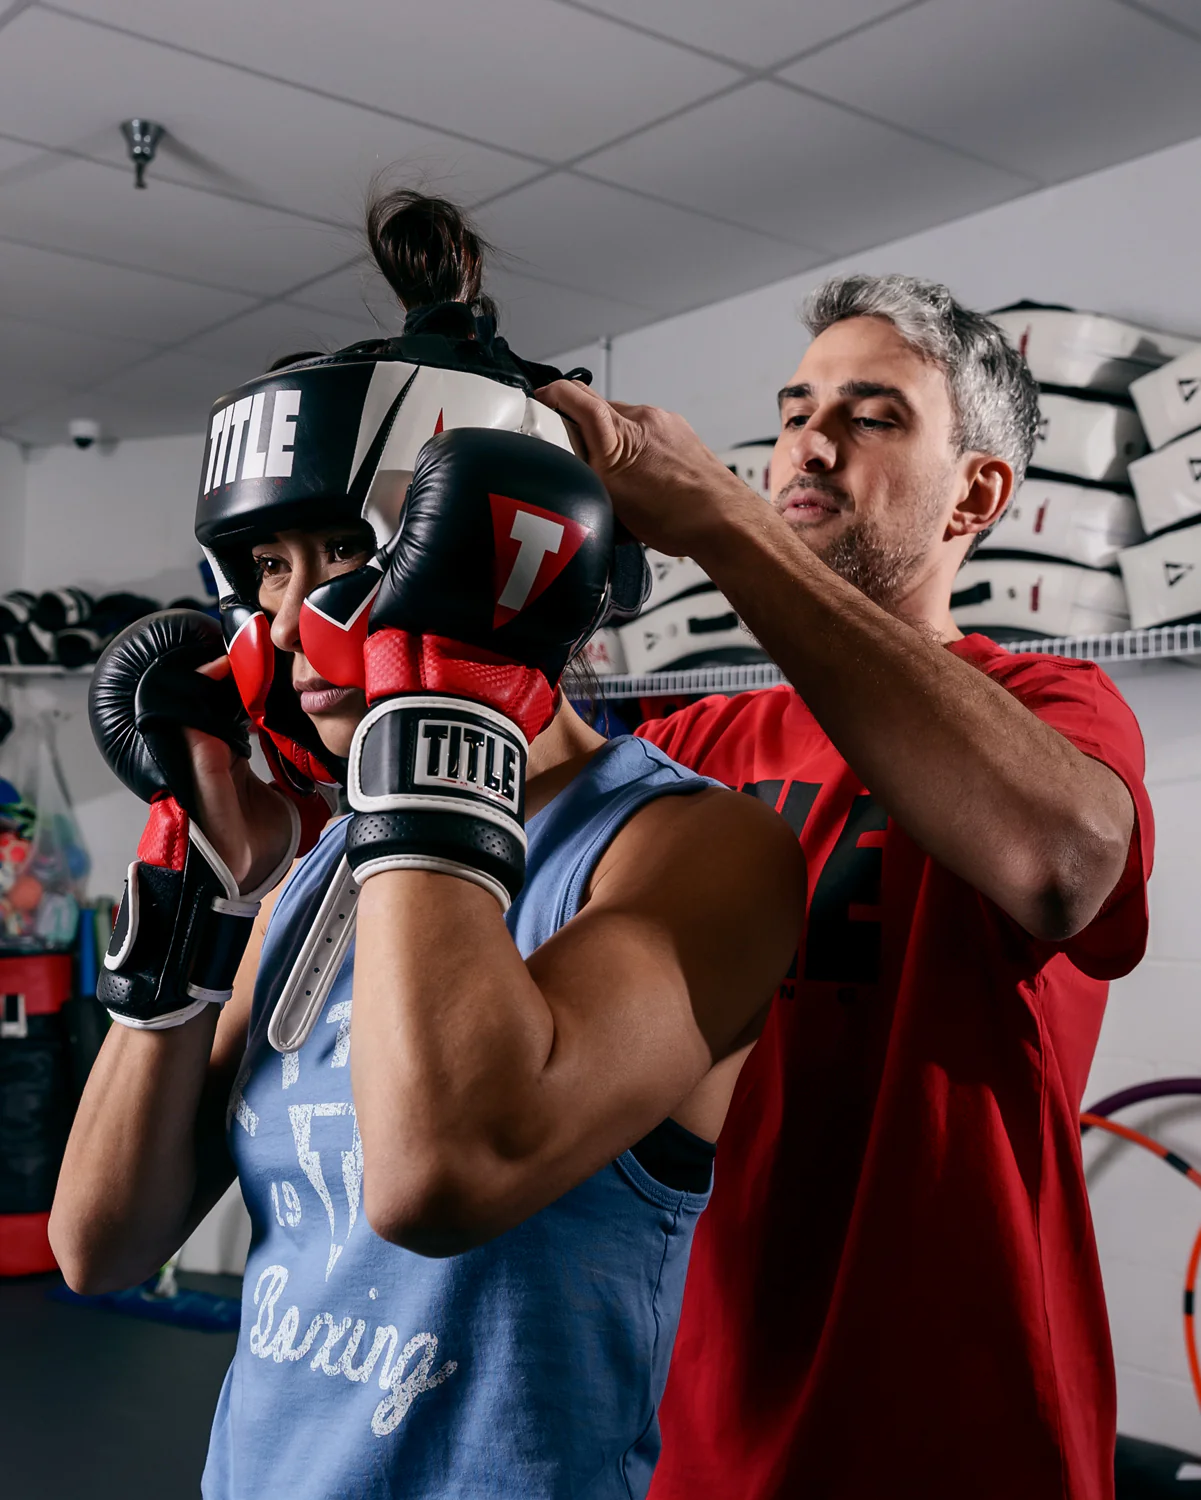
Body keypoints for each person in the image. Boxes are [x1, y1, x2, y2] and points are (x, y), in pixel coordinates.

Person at [48, 193, 802, 1500]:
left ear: (510, 552)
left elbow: (445, 1176)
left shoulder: (693, 850)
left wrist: (440, 718)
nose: (291, 622)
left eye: (346, 547)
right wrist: (199, 898)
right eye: (266, 567)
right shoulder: (322, 874)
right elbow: (99, 1243)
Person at [538, 275, 1154, 1500]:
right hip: (692, 1429)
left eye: (871, 417)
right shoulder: (692, 747)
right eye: (795, 411)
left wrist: (724, 524)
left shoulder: (1051, 708)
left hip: (952, 1437)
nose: (809, 444)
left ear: (974, 494)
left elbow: (1061, 862)